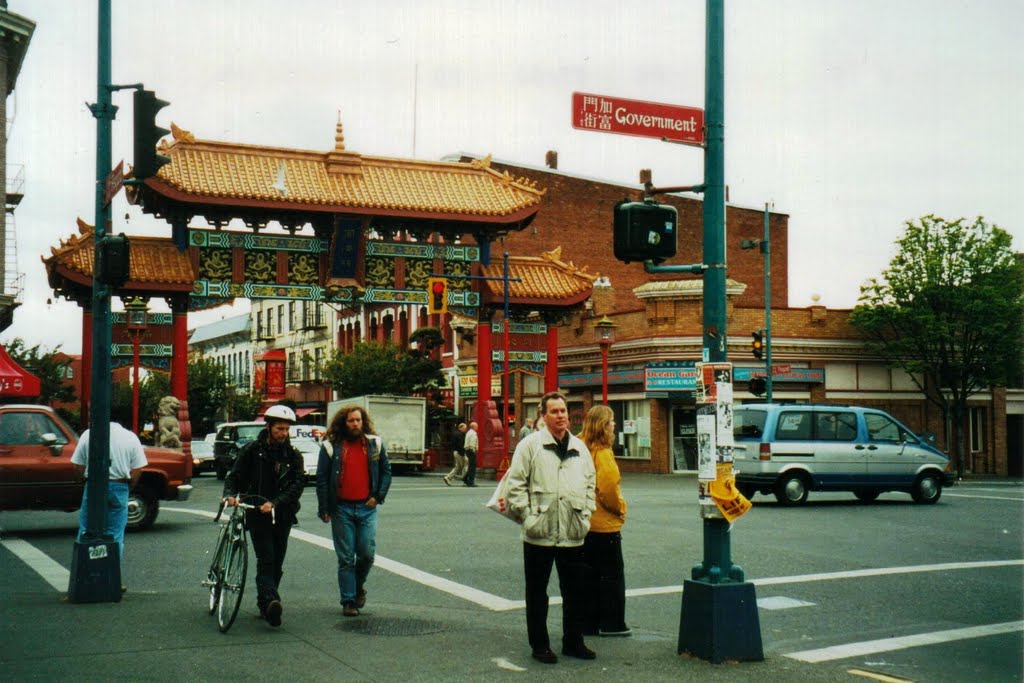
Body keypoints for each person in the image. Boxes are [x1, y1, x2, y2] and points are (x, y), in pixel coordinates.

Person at [505, 391, 597, 664]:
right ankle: (540, 644)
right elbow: (515, 485)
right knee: (537, 593)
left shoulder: (580, 448)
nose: (561, 416)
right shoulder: (529, 446)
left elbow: (591, 483)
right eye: (555, 411)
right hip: (539, 533)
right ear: (543, 416)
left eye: (564, 411)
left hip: (572, 531)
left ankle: (574, 641)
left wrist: (586, 513)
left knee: (575, 592)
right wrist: (528, 516)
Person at [223, 404, 305, 628]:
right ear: (268, 427)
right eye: (279, 429)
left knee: (277, 561)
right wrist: (230, 495)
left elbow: (297, 486)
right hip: (257, 513)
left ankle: (265, 603)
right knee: (266, 558)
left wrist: (275, 503)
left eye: (287, 430)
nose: (283, 434)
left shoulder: (293, 455)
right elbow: (234, 477)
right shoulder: (252, 451)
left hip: (282, 514)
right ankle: (271, 600)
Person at [317, 403, 392, 617]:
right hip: (341, 508)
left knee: (367, 554)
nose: (355, 424)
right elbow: (322, 479)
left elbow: (386, 472)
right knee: (347, 558)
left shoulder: (374, 444)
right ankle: (348, 600)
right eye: (351, 420)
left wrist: (378, 497)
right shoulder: (331, 446)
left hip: (367, 508)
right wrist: (324, 508)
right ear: (344, 423)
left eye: (358, 420)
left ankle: (358, 587)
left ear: (363, 421)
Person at [71, 420, 148, 581]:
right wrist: (128, 487)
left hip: (93, 485)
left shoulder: (88, 435)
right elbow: (138, 469)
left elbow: (77, 465)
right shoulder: (131, 437)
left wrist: (85, 481)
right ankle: (110, 577)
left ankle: (84, 576)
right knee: (115, 535)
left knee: (86, 530)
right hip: (120, 485)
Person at [579, 405, 630, 637]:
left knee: (588, 576)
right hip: (604, 524)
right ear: (603, 426)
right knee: (611, 575)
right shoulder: (604, 453)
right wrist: (620, 508)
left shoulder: (580, 447)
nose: (614, 425)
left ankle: (588, 623)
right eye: (611, 422)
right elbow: (608, 488)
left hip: (584, 522)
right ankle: (612, 624)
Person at [462, 421, 479, 487]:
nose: (477, 427)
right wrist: (474, 450)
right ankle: (471, 481)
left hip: (467, 450)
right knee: (473, 467)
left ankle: (465, 478)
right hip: (471, 450)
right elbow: (472, 443)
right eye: (477, 426)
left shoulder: (468, 432)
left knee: (470, 466)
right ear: (474, 427)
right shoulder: (473, 433)